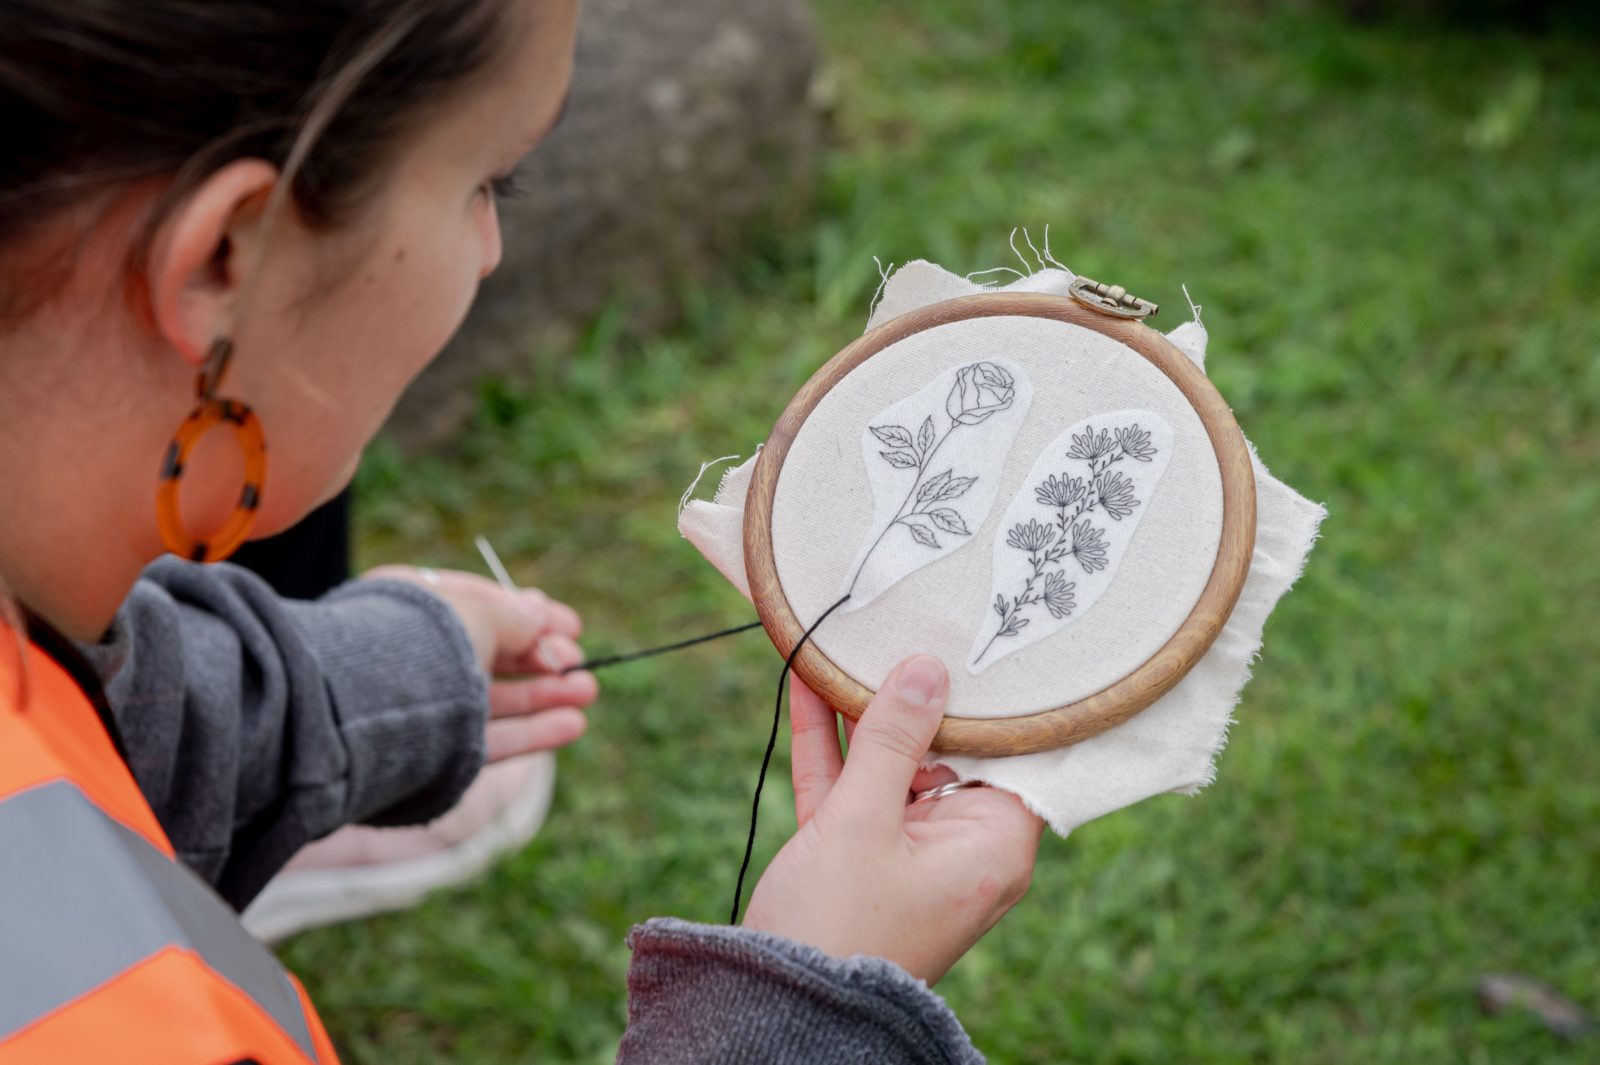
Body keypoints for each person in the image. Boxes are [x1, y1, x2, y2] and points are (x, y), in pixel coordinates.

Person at [0, 1, 1044, 1061]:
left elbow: (57, 754)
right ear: (228, 255)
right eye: (487, 183)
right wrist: (800, 1014)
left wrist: (324, 693)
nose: (493, 250)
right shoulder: (120, 1027)